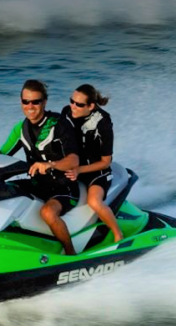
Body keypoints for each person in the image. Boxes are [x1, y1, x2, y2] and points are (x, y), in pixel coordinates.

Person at [0, 80, 81, 255]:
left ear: (44, 102)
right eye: (25, 101)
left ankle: (71, 254)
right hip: (37, 183)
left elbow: (74, 160)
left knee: (48, 213)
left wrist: (50, 164)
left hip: (63, 185)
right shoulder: (21, 128)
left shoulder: (59, 124)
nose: (30, 106)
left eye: (35, 102)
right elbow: (4, 153)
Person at [63, 84, 123, 243]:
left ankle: (118, 235)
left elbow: (105, 162)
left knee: (93, 202)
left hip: (96, 172)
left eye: (79, 104)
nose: (73, 106)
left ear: (91, 106)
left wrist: (79, 170)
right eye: (72, 101)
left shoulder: (103, 123)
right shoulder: (67, 113)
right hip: (73, 168)